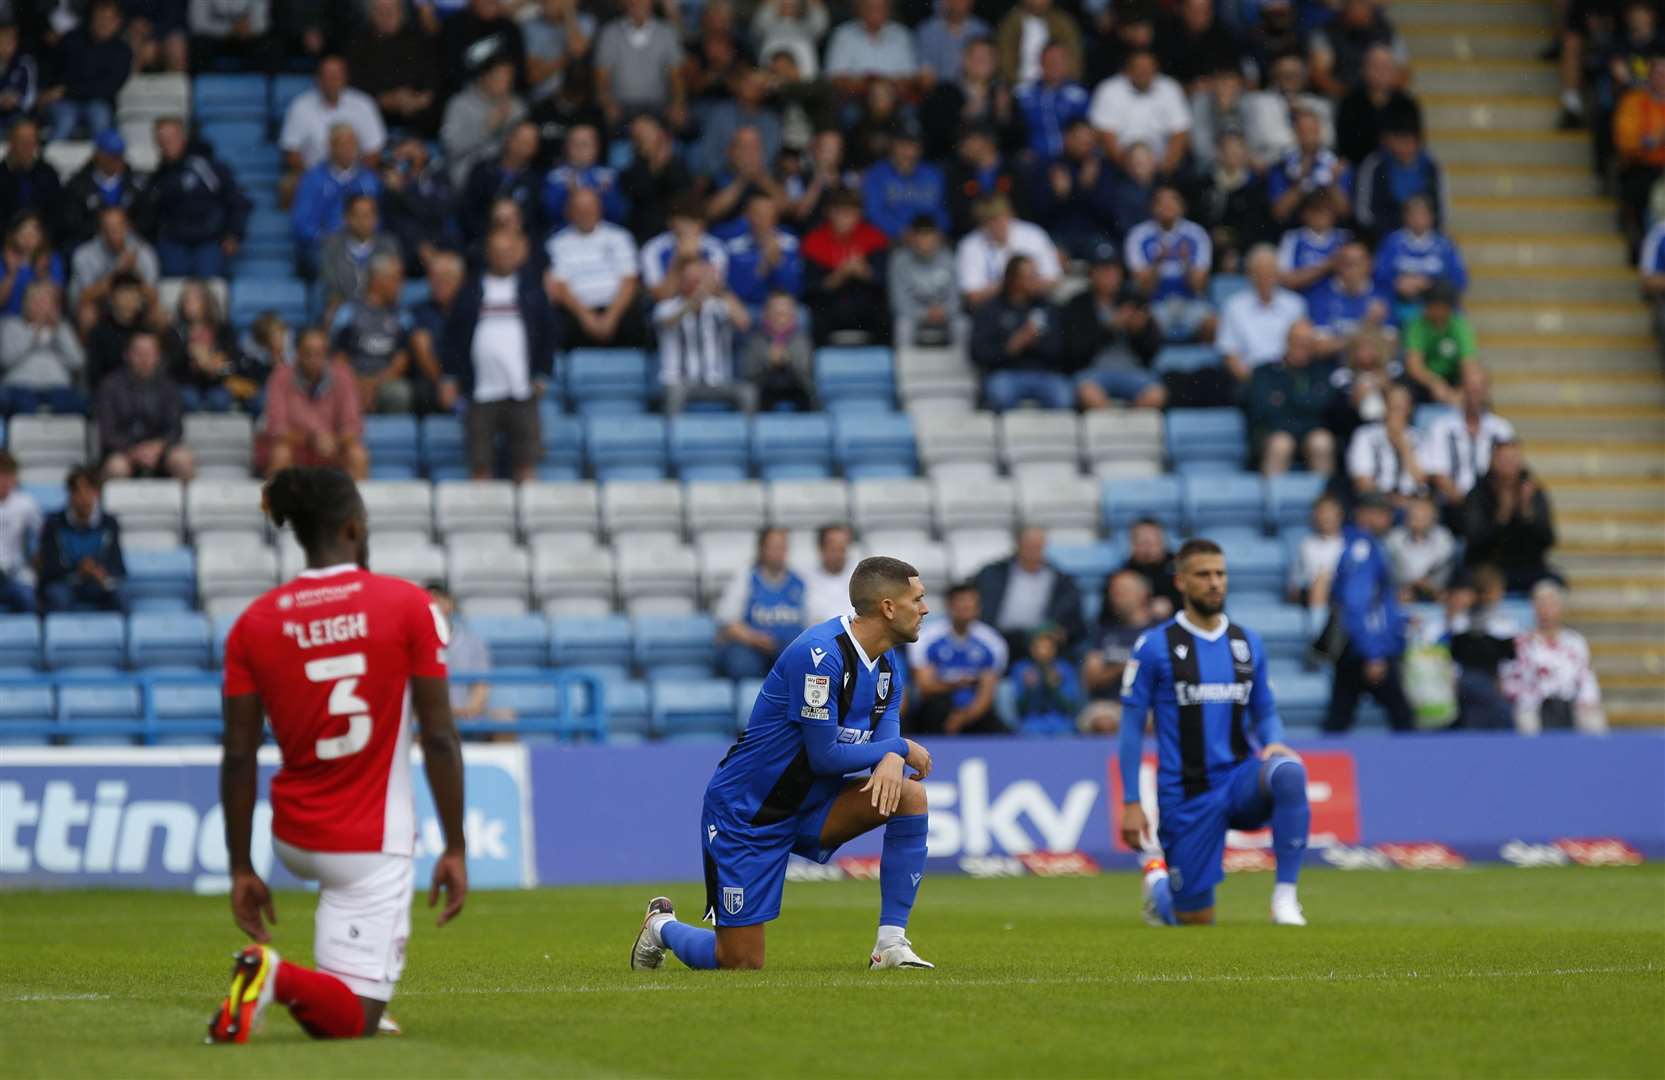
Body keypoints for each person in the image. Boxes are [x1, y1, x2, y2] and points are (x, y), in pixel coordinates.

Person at [207, 467, 467, 1043]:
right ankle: (272, 975)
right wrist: (454, 845)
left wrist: (241, 867)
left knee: (345, 993)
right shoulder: (408, 605)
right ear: (354, 527)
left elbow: (238, 755)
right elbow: (441, 737)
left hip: (293, 837)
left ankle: (334, 982)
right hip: (369, 843)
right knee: (356, 1023)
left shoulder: (254, 623)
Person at [630, 556, 935, 973]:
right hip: (749, 813)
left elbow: (887, 724)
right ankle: (661, 926)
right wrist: (897, 748)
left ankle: (891, 945)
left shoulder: (886, 662)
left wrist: (890, 754)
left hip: (813, 804)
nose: (925, 608)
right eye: (917, 599)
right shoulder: (820, 656)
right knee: (739, 962)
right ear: (887, 607)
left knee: (909, 795)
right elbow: (825, 755)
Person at [1120, 538, 1310, 928]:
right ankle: (1158, 884)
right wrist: (1131, 800)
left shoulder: (1247, 642)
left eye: (1220, 574)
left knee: (1289, 771)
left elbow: (1265, 709)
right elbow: (1131, 727)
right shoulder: (1155, 647)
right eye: (1203, 575)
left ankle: (1285, 899)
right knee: (1195, 918)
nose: (1214, 583)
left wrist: (1273, 738)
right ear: (1181, 583)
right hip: (1187, 794)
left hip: (1238, 779)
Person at [443, 229, 554, 484]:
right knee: (480, 466)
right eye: (498, 252)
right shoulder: (470, 291)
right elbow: (453, 336)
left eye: (508, 251)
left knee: (526, 465)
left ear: (518, 254)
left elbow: (548, 335)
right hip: (480, 392)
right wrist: (450, 377)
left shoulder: (532, 290)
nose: (504, 256)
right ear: (488, 254)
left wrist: (542, 373)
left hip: (522, 390)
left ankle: (531, 521)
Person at [1322, 492, 1415, 733]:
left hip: (1357, 645)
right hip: (1365, 649)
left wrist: (1400, 620)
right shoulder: (1363, 549)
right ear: (1365, 515)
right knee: (1402, 716)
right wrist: (1373, 653)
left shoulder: (1363, 546)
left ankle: (1323, 767)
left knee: (1340, 717)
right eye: (1383, 514)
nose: (1388, 520)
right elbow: (1357, 602)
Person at [140, 117, 251, 280]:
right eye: (162, 139)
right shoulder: (157, 178)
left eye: (171, 137)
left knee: (209, 289)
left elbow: (235, 200)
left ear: (183, 137)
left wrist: (234, 233)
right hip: (174, 243)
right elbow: (151, 215)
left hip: (208, 240)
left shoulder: (208, 167)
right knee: (173, 289)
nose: (167, 143)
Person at [1065, 245, 1165, 410]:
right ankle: (1113, 427)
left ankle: (1130, 428)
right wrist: (1108, 329)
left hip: (1132, 370)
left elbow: (1153, 350)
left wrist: (1140, 332)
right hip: (1093, 372)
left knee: (1156, 395)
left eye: (1113, 270)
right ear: (1092, 274)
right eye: (1103, 270)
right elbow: (1073, 353)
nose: (1109, 276)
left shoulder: (1134, 300)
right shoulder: (1078, 304)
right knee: (1089, 395)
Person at [259, 327, 367, 480]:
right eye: (308, 353)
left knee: (357, 455)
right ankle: (276, 503)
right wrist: (310, 440)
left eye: (319, 353)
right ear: (297, 354)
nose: (313, 359)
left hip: (333, 448)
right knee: (280, 453)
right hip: (296, 447)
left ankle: (354, 503)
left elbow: (353, 427)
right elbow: (277, 429)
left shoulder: (343, 376)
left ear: (327, 354)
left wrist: (333, 441)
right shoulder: (280, 377)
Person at [545, 187, 646, 349]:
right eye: (580, 208)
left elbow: (629, 281)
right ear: (569, 211)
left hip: (617, 310)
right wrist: (587, 318)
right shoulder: (556, 243)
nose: (586, 212)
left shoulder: (620, 237)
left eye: (591, 206)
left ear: (600, 208)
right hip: (576, 312)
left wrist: (610, 317)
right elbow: (560, 287)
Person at [970, 255, 1072, 411]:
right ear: (1014, 280)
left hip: (1045, 373)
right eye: (1031, 277)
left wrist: (1038, 342)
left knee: (1063, 396)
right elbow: (978, 352)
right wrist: (1011, 346)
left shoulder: (1049, 307)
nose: (1037, 280)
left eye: (1037, 275)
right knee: (999, 393)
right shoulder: (991, 309)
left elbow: (1062, 349)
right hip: (1006, 373)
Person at [655, 255, 755, 414]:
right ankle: (672, 437)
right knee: (675, 394)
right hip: (678, 382)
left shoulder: (719, 305)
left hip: (718, 381)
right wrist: (694, 300)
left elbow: (744, 322)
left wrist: (720, 288)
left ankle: (749, 438)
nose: (696, 283)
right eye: (691, 279)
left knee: (747, 392)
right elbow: (668, 321)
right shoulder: (667, 306)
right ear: (681, 280)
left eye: (699, 278)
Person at [1505, 581, 1608, 735]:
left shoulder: (1575, 641)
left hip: (1569, 702)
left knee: (1593, 719)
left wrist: (1586, 700)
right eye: (1541, 605)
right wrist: (1532, 697)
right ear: (1533, 609)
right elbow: (1511, 678)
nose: (1546, 611)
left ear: (1560, 608)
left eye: (1551, 605)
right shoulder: (1521, 642)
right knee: (1525, 720)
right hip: (1534, 704)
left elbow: (1586, 676)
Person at [907, 582, 1008, 736]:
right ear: (949, 605)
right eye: (961, 601)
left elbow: (987, 691)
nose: (966, 606)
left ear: (978, 607)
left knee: (1000, 730)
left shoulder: (992, 642)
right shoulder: (926, 637)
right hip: (937, 703)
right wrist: (956, 684)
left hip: (975, 707)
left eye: (971, 601)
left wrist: (964, 717)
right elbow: (925, 686)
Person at [972, 526, 1085, 657]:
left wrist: (1062, 631)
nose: (1033, 550)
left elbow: (1075, 623)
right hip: (997, 638)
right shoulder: (992, 574)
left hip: (1041, 642)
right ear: (1018, 544)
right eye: (1029, 545)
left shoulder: (1063, 581)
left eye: (1038, 545)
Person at [1243, 320, 1336, 478]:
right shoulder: (1265, 372)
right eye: (1296, 340)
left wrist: (1286, 400)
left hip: (1311, 433)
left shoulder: (1323, 371)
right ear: (1287, 341)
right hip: (1273, 435)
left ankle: (1327, 500)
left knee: (1321, 442)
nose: (1301, 346)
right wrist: (1306, 403)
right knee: (1282, 443)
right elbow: (1263, 410)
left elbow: (1326, 407)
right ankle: (1271, 500)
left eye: (1306, 342)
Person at [1462, 439, 1558, 593]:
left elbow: (1548, 540)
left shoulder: (1532, 492)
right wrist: (1501, 517)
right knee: (1487, 585)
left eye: (1514, 459)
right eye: (1504, 460)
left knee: (1551, 589)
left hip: (1528, 567)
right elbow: (1474, 540)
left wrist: (1527, 513)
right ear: (1493, 461)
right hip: (1488, 565)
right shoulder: (1478, 494)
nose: (1510, 465)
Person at [96, 332, 193, 482]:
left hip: (161, 452)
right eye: (139, 353)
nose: (144, 359)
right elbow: (108, 433)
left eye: (149, 353)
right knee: (116, 468)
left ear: (158, 356)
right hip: (123, 452)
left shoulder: (169, 387)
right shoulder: (110, 386)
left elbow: (175, 429)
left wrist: (157, 447)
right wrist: (134, 451)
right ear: (127, 355)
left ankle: (185, 505)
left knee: (183, 460)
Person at [331, 254, 420, 416]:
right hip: (352, 380)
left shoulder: (402, 316)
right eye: (396, 279)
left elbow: (401, 361)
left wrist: (373, 386)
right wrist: (357, 384)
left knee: (399, 393)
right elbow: (339, 357)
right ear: (378, 280)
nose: (401, 285)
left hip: (386, 382)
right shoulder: (348, 312)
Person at [1124, 185, 1215, 343]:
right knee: (1138, 323)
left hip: (1190, 302)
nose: (1167, 207)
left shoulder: (1197, 234)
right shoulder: (1138, 235)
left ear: (1182, 207)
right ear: (1153, 207)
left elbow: (1199, 286)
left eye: (1172, 201)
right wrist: (1157, 263)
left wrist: (1187, 262)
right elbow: (1144, 289)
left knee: (1214, 324)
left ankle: (1205, 365)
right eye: (1162, 202)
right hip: (1155, 304)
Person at [800, 189, 889, 346]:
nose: (844, 219)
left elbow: (883, 281)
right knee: (815, 316)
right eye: (839, 212)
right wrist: (839, 275)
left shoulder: (874, 238)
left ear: (859, 214)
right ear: (829, 213)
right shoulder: (814, 241)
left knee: (884, 315)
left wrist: (864, 272)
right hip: (830, 305)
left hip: (864, 304)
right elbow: (810, 289)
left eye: (850, 213)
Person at [291, 125, 381, 280]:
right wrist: (326, 239)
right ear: (330, 147)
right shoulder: (312, 179)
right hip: (322, 245)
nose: (348, 149)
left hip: (362, 243)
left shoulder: (370, 179)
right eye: (342, 144)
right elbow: (302, 223)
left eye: (352, 144)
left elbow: (380, 219)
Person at [279, 55, 387, 182]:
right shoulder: (300, 106)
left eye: (337, 74)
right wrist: (316, 180)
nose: (332, 80)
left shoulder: (364, 104)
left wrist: (352, 180)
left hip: (356, 177)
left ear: (346, 77)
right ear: (317, 78)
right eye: (327, 75)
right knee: (288, 183)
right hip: (312, 177)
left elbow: (373, 152)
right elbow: (291, 152)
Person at [1421, 365, 1515, 509]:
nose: (1474, 395)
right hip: (1452, 505)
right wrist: (1466, 503)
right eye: (1470, 389)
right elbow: (1437, 472)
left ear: (1487, 391)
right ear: (1461, 390)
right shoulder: (1441, 427)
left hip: (1491, 506)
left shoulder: (1501, 429)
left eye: (1479, 389)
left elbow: (1510, 469)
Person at [36, 465, 126, 614]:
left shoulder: (109, 523)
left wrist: (99, 572)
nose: (83, 497)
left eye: (89, 490)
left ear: (96, 493)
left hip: (98, 583)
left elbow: (118, 567)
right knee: (56, 596)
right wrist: (79, 570)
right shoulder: (54, 523)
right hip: (66, 583)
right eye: (77, 491)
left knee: (121, 596)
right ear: (69, 494)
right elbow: (48, 569)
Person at [1086, 49, 1191, 177]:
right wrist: (1131, 170)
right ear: (1127, 70)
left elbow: (1180, 133)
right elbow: (1105, 135)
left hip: (1162, 165)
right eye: (1138, 67)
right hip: (1119, 166)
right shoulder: (1108, 89)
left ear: (1156, 69)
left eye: (1148, 67)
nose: (1143, 72)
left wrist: (1164, 171)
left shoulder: (1170, 88)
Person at [41, 0, 130, 141]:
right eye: (98, 18)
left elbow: (107, 88)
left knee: (100, 117)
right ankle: (49, 160)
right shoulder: (71, 40)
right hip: (65, 102)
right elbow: (52, 69)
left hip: (98, 103)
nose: (102, 23)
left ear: (117, 22)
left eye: (107, 19)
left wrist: (67, 91)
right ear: (91, 19)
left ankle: (100, 161)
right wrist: (47, 91)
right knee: (65, 121)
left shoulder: (123, 52)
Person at [954, 193, 1061, 309]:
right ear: (981, 223)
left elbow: (1053, 279)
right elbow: (972, 296)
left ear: (1010, 214)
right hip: (993, 312)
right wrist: (1013, 284)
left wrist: (1025, 286)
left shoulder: (1033, 235)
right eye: (990, 220)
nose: (998, 224)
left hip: (1034, 305)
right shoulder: (970, 246)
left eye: (1001, 217)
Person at [1219, 244, 1307, 383]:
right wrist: (1256, 385)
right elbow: (1229, 354)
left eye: (1270, 273)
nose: (1265, 278)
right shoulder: (1234, 306)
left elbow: (1302, 348)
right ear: (1250, 275)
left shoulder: (1295, 304)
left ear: (1278, 274)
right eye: (1259, 273)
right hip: (1251, 379)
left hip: (1289, 378)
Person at [1078, 571, 1153, 734]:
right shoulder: (1104, 633)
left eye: (1123, 591)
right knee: (1103, 723)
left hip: (1150, 705)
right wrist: (1121, 668)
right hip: (1108, 704)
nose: (1116, 597)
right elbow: (1090, 679)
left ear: (1143, 594)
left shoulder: (1159, 632)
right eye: (1114, 592)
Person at [593, 0, 686, 130]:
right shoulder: (610, 33)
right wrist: (607, 103)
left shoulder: (667, 32)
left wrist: (678, 104)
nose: (637, 3)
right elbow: (601, 77)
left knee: (685, 123)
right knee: (603, 120)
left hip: (658, 105)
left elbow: (677, 77)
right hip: (622, 106)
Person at [440, 54, 527, 191]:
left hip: (504, 177)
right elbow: (451, 147)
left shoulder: (517, 108)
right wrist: (485, 128)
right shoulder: (460, 104)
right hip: (466, 175)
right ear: (484, 76)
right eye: (498, 78)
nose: (504, 84)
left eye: (508, 79)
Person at [1448, 563, 1519, 730]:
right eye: (1498, 589)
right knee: (1494, 711)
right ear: (1489, 592)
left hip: (1492, 681)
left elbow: (1510, 658)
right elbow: (1455, 656)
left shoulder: (1503, 623)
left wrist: (1503, 680)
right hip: (1469, 681)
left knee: (1485, 714)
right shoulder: (1462, 621)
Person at [0, 281, 85, 415]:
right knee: (22, 403)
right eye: (36, 301)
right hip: (20, 386)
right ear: (26, 304)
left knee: (78, 402)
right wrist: (34, 332)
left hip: (58, 387)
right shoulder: (12, 326)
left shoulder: (62, 328)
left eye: (46, 301)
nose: (42, 306)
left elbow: (78, 361)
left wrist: (58, 330)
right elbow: (5, 359)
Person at [59, 130, 146, 252]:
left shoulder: (136, 183)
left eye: (120, 155)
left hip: (128, 241)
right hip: (89, 243)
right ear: (99, 155)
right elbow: (72, 221)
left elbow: (145, 217)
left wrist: (124, 230)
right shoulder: (78, 184)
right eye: (112, 156)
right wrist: (104, 230)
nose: (117, 161)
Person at [161, 279, 240, 413]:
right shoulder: (175, 331)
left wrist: (216, 367)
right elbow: (170, 367)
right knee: (189, 399)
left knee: (219, 400)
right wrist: (190, 354)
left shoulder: (223, 330)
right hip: (187, 383)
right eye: (185, 298)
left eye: (195, 298)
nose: (189, 303)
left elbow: (232, 365)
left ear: (207, 302)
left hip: (217, 384)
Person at [887, 214, 961, 350]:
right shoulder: (900, 261)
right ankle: (906, 369)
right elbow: (899, 303)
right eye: (921, 235)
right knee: (902, 326)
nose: (925, 241)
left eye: (929, 235)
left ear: (937, 236)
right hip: (914, 316)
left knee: (962, 325)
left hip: (944, 315)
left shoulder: (948, 258)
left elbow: (956, 299)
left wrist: (944, 311)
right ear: (912, 237)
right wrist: (925, 313)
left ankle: (961, 370)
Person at [1348, 383, 1425, 504]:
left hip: (1412, 502)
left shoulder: (1419, 438)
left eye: (1401, 405)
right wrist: (1392, 501)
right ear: (1385, 406)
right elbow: (1362, 482)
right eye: (1393, 405)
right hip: (1377, 503)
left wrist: (1403, 446)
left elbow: (1421, 481)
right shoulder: (1365, 435)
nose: (1396, 410)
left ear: (1409, 408)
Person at [1402, 280, 1475, 406]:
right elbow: (1414, 365)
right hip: (1425, 381)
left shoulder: (1459, 326)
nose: (1439, 312)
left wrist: (1460, 391)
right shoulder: (1417, 326)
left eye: (1443, 307)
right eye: (1435, 306)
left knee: (1476, 384)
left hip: (1454, 378)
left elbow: (1468, 363)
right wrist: (1434, 383)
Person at [1010, 623, 1082, 736]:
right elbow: (1018, 709)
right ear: (1031, 648)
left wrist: (1056, 687)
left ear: (1055, 648)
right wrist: (1029, 688)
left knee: (1065, 733)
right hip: (1031, 720)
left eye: (1048, 646)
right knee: (1029, 733)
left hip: (1060, 720)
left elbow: (1071, 707)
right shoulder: (1021, 669)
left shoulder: (1065, 668)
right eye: (1039, 646)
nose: (1044, 652)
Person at [1386, 490, 1455, 603]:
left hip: (1435, 594)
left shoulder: (1444, 538)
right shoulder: (1393, 539)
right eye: (1412, 510)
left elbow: (1444, 570)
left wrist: (1429, 586)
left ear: (1434, 515)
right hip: (1402, 594)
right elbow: (1391, 572)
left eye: (1422, 510)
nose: (1415, 514)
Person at [1288, 494, 1346, 611]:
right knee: (1319, 583)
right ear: (1315, 515)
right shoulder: (1306, 544)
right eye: (1322, 512)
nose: (1326, 517)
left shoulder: (1348, 543)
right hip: (1309, 594)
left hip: (1340, 594)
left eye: (1330, 512)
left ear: (1339, 515)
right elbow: (1294, 583)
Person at [0, 450, 41, 613]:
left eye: (8, 475)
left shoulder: (26, 504)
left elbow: (45, 535)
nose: (3, 481)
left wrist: (37, 559)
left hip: (13, 573)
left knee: (27, 598)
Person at [1122, 518, 1181, 620]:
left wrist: (1172, 604)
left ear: (1162, 541)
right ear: (1132, 543)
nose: (1147, 548)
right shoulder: (1124, 574)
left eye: (1152, 541)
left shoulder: (1181, 566)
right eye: (1142, 542)